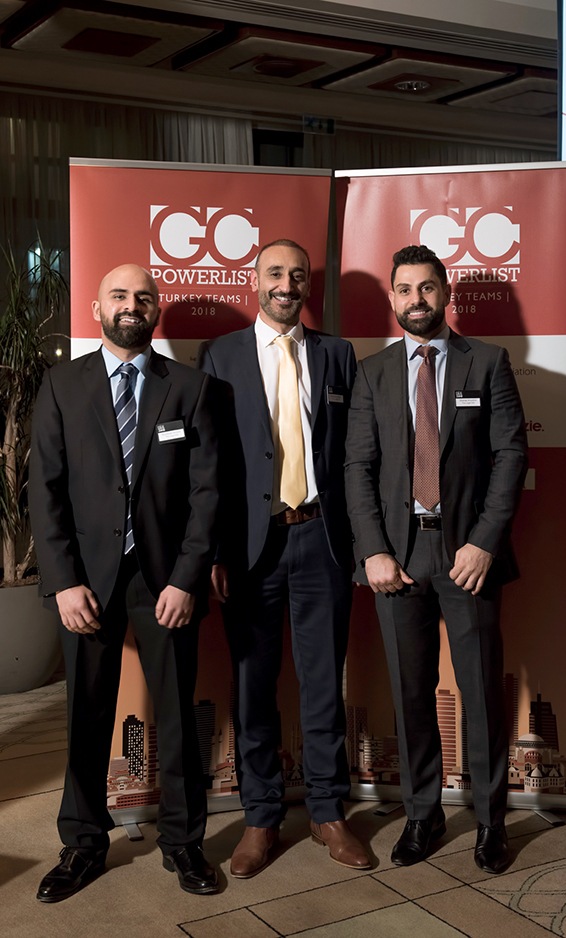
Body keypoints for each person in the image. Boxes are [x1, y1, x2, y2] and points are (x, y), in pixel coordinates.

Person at [29, 264, 219, 902]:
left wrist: (187, 578)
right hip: (86, 582)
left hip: (166, 582)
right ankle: (83, 843)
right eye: (119, 295)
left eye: (143, 296)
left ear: (156, 308)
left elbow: (207, 495)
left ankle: (184, 842)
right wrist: (63, 582)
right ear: (97, 308)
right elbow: (45, 491)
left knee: (177, 715)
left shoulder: (191, 388)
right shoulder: (61, 385)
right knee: (85, 715)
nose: (132, 305)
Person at [344, 244, 527, 875]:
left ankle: (491, 822)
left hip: (467, 553)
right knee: (410, 693)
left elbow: (510, 456)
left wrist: (484, 541)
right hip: (397, 555)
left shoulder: (488, 362)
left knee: (481, 691)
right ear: (391, 299)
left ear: (445, 294)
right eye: (404, 289)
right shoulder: (372, 372)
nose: (416, 299)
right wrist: (372, 549)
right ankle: (422, 815)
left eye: (427, 287)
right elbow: (357, 467)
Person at [199, 239, 370, 878]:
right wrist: (216, 550)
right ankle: (261, 817)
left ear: (306, 286)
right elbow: (209, 463)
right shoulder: (219, 355)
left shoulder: (337, 354)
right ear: (255, 280)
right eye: (275, 273)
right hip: (251, 549)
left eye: (297, 275)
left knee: (323, 684)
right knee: (254, 686)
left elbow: (354, 454)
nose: (287, 284)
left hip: (322, 539)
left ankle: (327, 812)